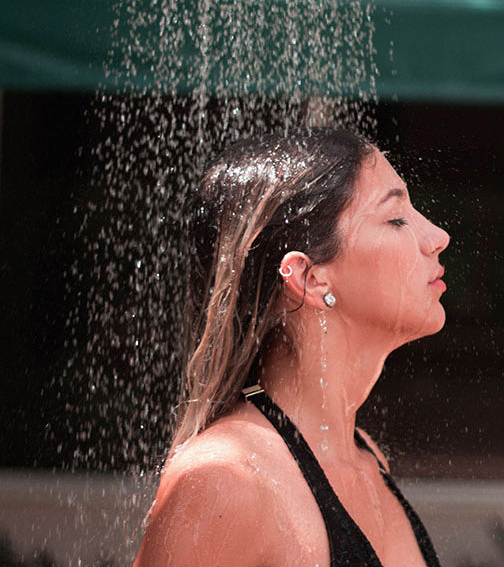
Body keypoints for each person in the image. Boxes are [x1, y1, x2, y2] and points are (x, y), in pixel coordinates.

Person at [134, 127, 450, 566]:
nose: (437, 236)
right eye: (396, 218)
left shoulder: (366, 459)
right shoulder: (225, 479)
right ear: (309, 279)